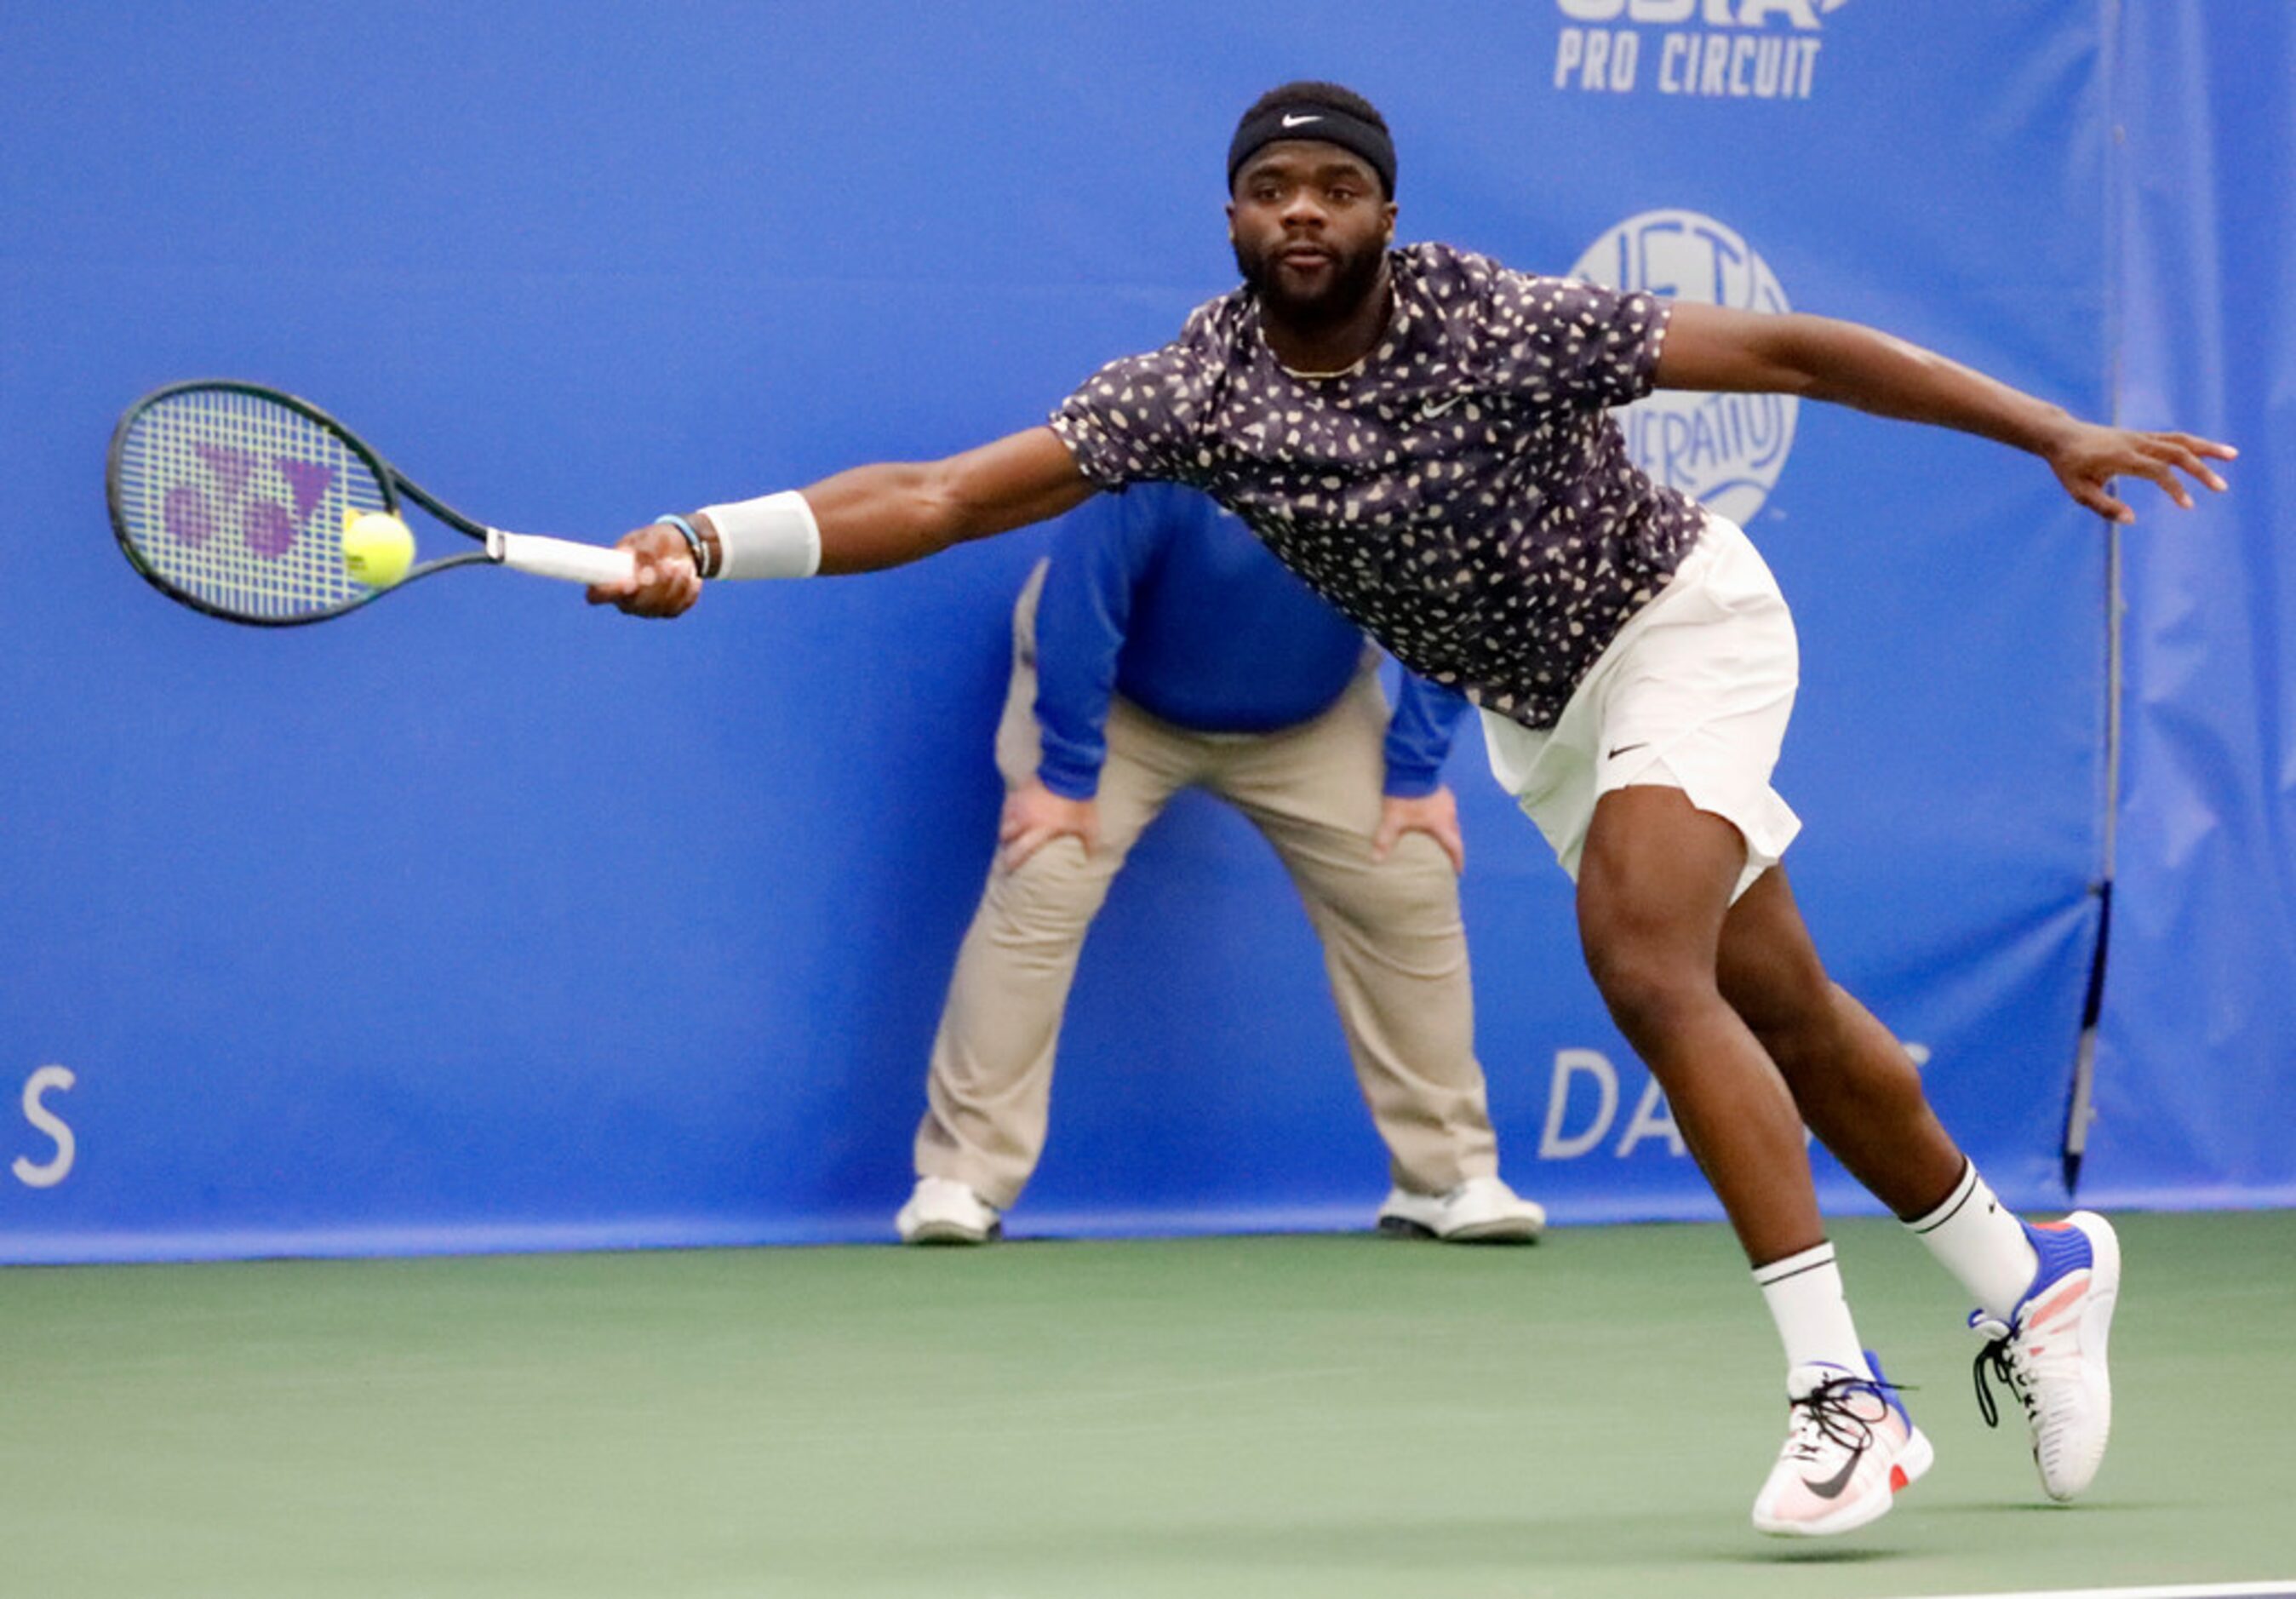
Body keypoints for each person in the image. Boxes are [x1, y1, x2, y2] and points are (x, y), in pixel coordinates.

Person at [593, 82, 2234, 1536]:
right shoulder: (1194, 390)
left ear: (1385, 212)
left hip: (1679, 624)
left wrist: (2048, 428)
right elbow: (939, 495)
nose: (1300, 210)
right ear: (1233, 217)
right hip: (1546, 712)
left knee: (1645, 960)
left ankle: (1843, 1398)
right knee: (1783, 1008)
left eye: (1334, 187)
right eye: (1269, 189)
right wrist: (705, 536)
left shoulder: (1498, 323)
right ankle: (2034, 1277)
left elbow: (1797, 351)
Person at [898, 481, 1546, 1247]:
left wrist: (1413, 776)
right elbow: (1081, 594)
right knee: (1043, 874)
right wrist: (1066, 776)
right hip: (1114, 705)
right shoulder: (1168, 428)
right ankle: (962, 1179)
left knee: (1406, 874)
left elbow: (1450, 608)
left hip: (1316, 716)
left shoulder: (1412, 453)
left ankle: (1445, 1178)